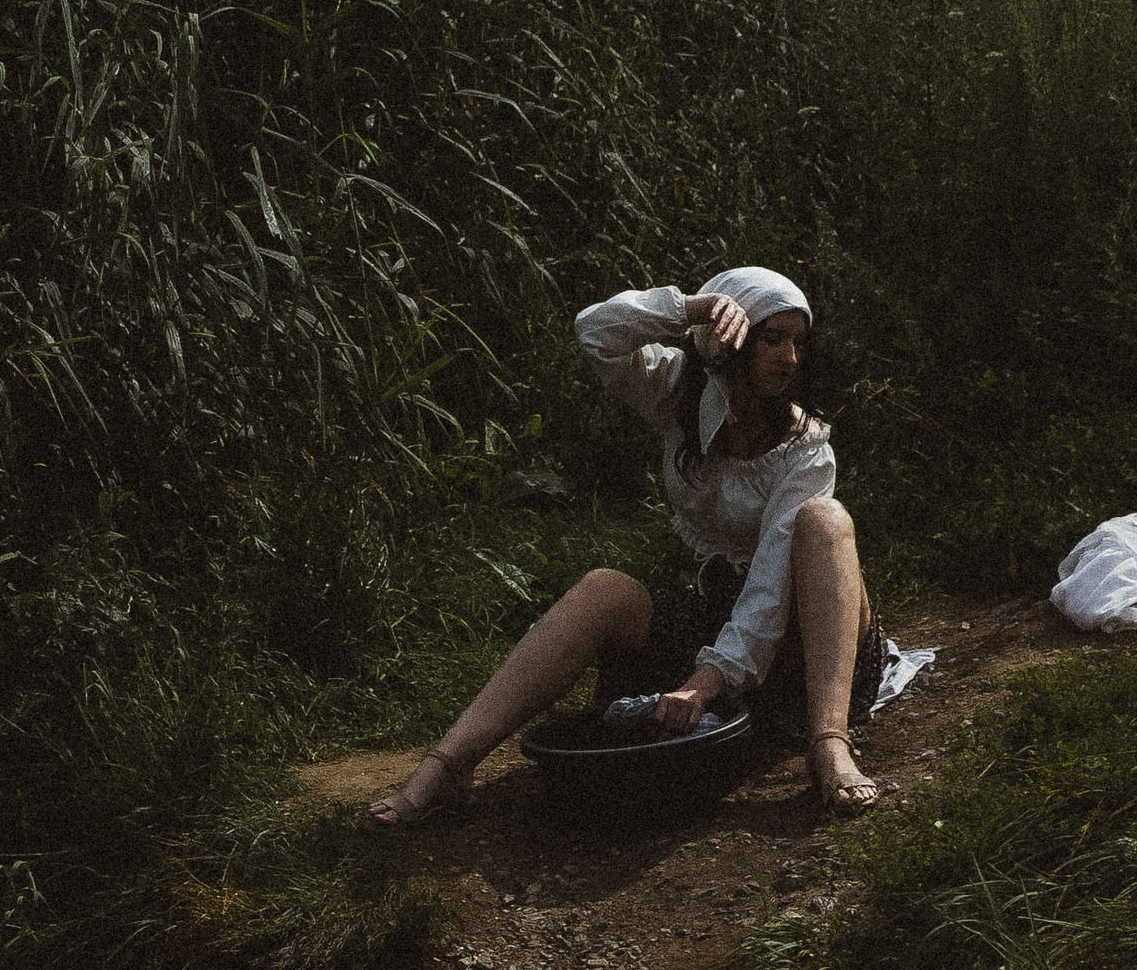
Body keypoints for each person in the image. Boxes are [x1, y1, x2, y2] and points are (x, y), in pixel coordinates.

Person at [367, 267, 883, 825]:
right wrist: (693, 309)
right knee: (604, 588)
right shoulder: (680, 389)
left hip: (804, 637)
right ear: (730, 343)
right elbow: (595, 331)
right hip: (719, 612)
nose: (790, 358)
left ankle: (828, 742)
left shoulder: (806, 447)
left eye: (796, 341)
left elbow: (769, 586)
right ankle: (448, 763)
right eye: (772, 338)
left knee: (824, 521)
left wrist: (701, 685)